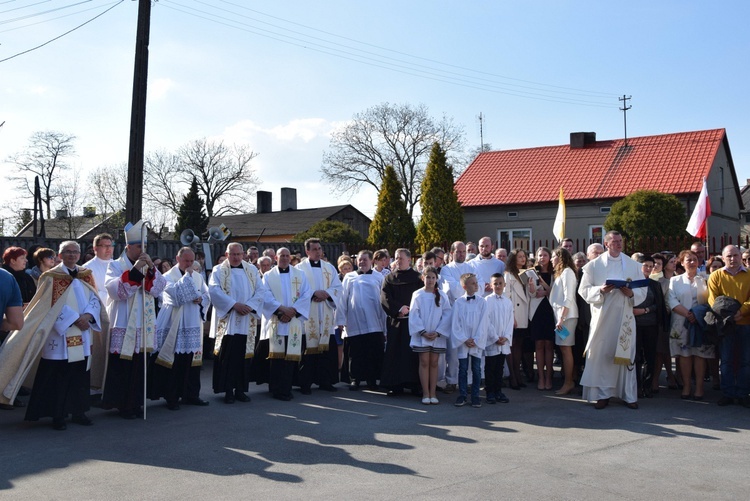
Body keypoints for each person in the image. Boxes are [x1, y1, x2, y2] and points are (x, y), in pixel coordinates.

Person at [0, 241, 105, 429]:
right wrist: (74, 319)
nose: (72, 255)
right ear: (60, 254)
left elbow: (94, 299)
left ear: (80, 254)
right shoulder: (51, 277)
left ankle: (79, 412)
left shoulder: (86, 275)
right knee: (59, 376)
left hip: (83, 331)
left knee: (80, 374)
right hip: (60, 334)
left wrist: (88, 316)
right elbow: (47, 306)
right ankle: (58, 415)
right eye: (67, 252)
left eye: (75, 252)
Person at [102, 220, 167, 419]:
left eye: (145, 246)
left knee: (140, 364)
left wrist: (151, 271)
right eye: (139, 246)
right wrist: (137, 270)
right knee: (123, 365)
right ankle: (123, 404)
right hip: (123, 320)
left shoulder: (148, 265)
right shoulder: (115, 265)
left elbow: (158, 289)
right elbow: (117, 292)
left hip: (144, 322)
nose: (142, 250)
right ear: (129, 247)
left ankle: (137, 402)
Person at [579, 231, 646, 410]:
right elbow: (583, 290)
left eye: (620, 241)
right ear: (606, 244)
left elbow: (642, 290)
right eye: (614, 241)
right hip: (603, 317)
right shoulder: (593, 266)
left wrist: (631, 293)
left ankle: (628, 395)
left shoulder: (633, 265)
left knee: (624, 355)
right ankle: (603, 395)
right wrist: (601, 290)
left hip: (624, 317)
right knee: (603, 355)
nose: (618, 244)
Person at [150, 247, 211, 410]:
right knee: (174, 363)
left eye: (192, 261)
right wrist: (188, 277)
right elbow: (176, 297)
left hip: (192, 323)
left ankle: (191, 394)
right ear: (178, 259)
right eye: (186, 261)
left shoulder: (197, 276)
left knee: (192, 362)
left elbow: (207, 294)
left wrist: (202, 299)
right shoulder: (167, 276)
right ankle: (172, 397)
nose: (189, 264)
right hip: (174, 324)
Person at [209, 242, 266, 404]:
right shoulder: (219, 270)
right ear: (227, 255)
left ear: (243, 255)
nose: (235, 257)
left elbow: (261, 290)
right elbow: (214, 290)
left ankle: (241, 389)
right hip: (229, 321)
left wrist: (250, 306)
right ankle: (228, 390)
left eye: (238, 254)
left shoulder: (252, 270)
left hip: (247, 318)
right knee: (229, 356)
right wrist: (234, 305)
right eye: (232, 254)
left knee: (244, 357)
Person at [261, 247, 312, 401]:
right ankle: (276, 388)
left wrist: (293, 311)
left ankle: (286, 388)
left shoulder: (300, 275)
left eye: (286, 256)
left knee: (290, 358)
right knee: (277, 358)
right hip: (277, 319)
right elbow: (265, 295)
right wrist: (281, 311)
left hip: (293, 321)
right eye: (281, 256)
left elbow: (306, 294)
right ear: (275, 258)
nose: (284, 258)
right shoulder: (268, 276)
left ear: (290, 258)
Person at [296, 238, 342, 393]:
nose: (318, 252)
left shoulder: (329, 268)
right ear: (307, 251)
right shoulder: (299, 269)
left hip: (325, 312)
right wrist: (313, 293)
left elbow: (337, 287)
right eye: (314, 249)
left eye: (319, 249)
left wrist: (327, 294)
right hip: (308, 315)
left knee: (326, 350)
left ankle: (325, 381)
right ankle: (305, 383)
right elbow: (296, 290)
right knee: (307, 350)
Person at [707, 245, 750, 407]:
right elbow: (713, 300)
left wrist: (742, 311)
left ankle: (743, 393)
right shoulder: (716, 276)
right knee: (726, 360)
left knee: (745, 360)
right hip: (725, 325)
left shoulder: (749, 275)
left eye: (735, 255)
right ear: (723, 258)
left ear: (741, 257)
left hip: (745, 323)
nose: (732, 259)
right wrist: (728, 315)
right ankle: (728, 393)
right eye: (729, 256)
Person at [667, 250, 712, 401]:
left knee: (700, 355)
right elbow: (671, 301)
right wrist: (688, 314)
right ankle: (687, 386)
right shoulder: (675, 281)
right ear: (682, 262)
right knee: (685, 355)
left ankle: (699, 387)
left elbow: (709, 301)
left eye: (694, 259)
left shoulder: (705, 279)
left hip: (700, 323)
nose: (692, 262)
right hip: (681, 322)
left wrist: (696, 316)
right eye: (688, 260)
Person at [340, 250, 387, 391]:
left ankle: (372, 379)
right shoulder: (349, 277)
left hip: (374, 321)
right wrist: (341, 319)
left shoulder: (379, 277)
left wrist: (384, 325)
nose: (362, 262)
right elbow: (343, 299)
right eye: (360, 260)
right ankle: (355, 379)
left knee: (373, 352)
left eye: (365, 259)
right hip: (355, 321)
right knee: (356, 353)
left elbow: (383, 300)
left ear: (371, 261)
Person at [380, 248, 423, 396]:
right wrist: (398, 309)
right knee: (395, 353)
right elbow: (384, 298)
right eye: (396, 258)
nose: (398, 261)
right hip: (396, 322)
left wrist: (411, 309)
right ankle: (395, 384)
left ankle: (414, 384)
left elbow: (423, 297)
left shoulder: (418, 278)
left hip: (413, 322)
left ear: (409, 259)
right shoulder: (389, 278)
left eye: (401, 258)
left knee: (412, 354)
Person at [409, 266, 452, 405]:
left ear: (436, 279)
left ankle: (433, 393)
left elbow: (447, 314)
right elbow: (414, 314)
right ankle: (425, 393)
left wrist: (438, 332)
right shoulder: (417, 294)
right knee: (424, 362)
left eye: (433, 277)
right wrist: (422, 332)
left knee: (434, 363)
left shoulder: (442, 295)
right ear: (423, 278)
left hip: (436, 335)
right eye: (428, 277)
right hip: (422, 335)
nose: (430, 280)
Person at [438, 241, 472, 394]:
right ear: (451, 253)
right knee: (453, 350)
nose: (461, 254)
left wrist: (466, 288)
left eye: (463, 251)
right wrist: (467, 288)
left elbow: (475, 288)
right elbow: (453, 290)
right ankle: (451, 380)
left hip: (469, 313)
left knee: (469, 347)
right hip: (453, 312)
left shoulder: (470, 268)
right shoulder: (446, 269)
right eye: (458, 251)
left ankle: (469, 380)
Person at [632, 254, 667, 399]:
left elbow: (658, 305)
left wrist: (645, 310)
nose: (648, 268)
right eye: (645, 265)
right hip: (634, 325)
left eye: (650, 266)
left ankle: (647, 386)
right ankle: (636, 386)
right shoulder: (631, 283)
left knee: (650, 356)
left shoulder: (655, 285)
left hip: (651, 325)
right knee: (636, 357)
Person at [451, 273, 487, 408]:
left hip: (476, 340)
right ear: (465, 286)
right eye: (473, 283)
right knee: (463, 369)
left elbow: (484, 322)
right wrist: (464, 339)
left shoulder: (482, 302)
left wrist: (476, 339)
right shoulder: (458, 302)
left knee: (477, 369)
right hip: (464, 341)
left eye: (476, 282)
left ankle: (476, 396)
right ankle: (462, 395)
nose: (476, 285)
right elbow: (456, 323)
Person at [550, 247, 578, 395]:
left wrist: (562, 318)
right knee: (563, 349)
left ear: (560, 258)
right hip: (562, 316)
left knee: (566, 349)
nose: (551, 259)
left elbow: (568, 297)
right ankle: (569, 380)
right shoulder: (562, 273)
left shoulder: (567, 272)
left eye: (553, 256)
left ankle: (568, 383)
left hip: (566, 316)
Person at [528, 246, 555, 390]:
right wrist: (533, 289)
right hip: (537, 312)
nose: (542, 258)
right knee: (539, 345)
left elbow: (554, 292)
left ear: (549, 257)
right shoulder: (531, 273)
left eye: (545, 255)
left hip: (550, 311)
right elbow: (531, 294)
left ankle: (549, 377)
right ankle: (541, 378)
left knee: (549, 345)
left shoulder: (555, 273)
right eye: (540, 255)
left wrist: (545, 292)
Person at [504, 249, 531, 390]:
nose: (523, 259)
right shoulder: (508, 275)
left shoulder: (526, 274)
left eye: (524, 257)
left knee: (519, 346)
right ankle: (513, 377)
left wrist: (532, 285)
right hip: (514, 315)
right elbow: (506, 297)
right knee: (512, 346)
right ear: (513, 259)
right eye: (519, 257)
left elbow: (530, 294)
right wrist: (512, 316)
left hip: (524, 314)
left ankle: (518, 376)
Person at [484, 273, 513, 404]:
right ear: (491, 285)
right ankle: (489, 391)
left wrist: (506, 336)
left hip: (503, 341)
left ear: (504, 285)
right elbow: (487, 321)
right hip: (492, 340)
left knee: (500, 366)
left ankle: (498, 391)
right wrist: (495, 337)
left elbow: (510, 321)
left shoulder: (508, 302)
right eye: (495, 283)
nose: (498, 286)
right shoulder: (487, 301)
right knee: (490, 367)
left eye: (500, 283)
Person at [83, 233, 115, 305]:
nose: (108, 248)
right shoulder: (87, 268)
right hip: (99, 308)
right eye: (104, 246)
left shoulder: (118, 265)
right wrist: (114, 297)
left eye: (110, 246)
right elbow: (90, 292)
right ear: (95, 248)